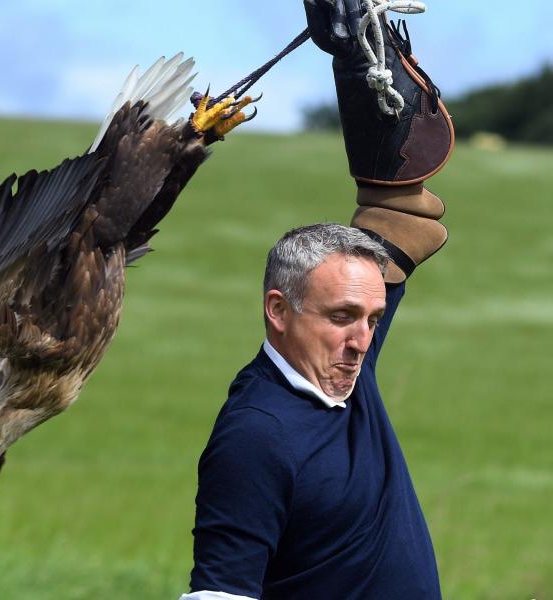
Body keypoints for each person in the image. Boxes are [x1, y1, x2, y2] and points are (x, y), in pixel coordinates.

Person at [182, 1, 455, 598]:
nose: (362, 340)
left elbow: (405, 219)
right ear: (278, 311)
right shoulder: (257, 436)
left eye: (372, 318)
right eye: (341, 317)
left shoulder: (345, 370)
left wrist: (363, 55)